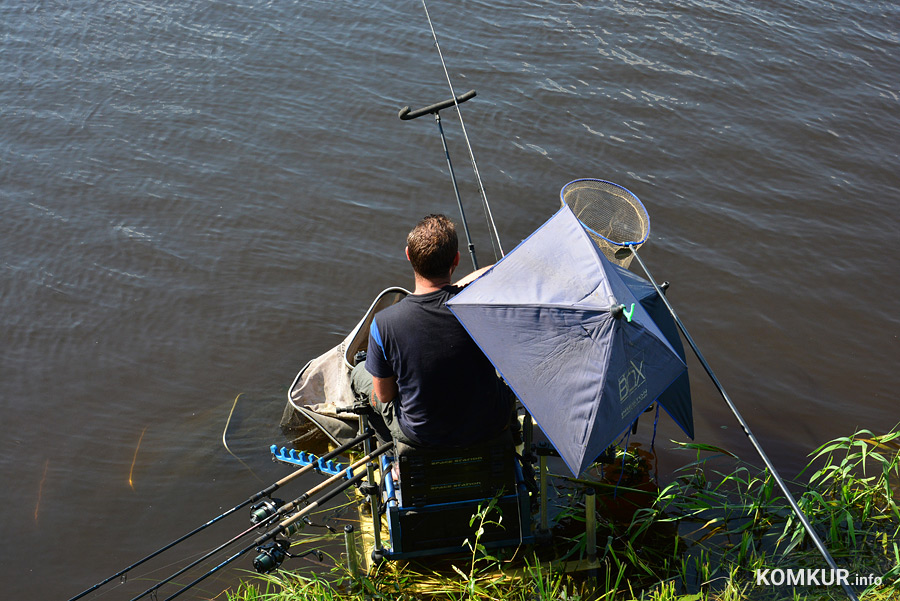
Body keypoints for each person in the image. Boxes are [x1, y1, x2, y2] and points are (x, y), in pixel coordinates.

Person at [351, 214, 512, 449]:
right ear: (456, 259)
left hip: (422, 435)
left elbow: (385, 396)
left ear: (408, 255)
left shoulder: (384, 324)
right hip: (490, 425)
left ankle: (389, 450)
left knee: (359, 373)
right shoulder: (478, 307)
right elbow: (498, 271)